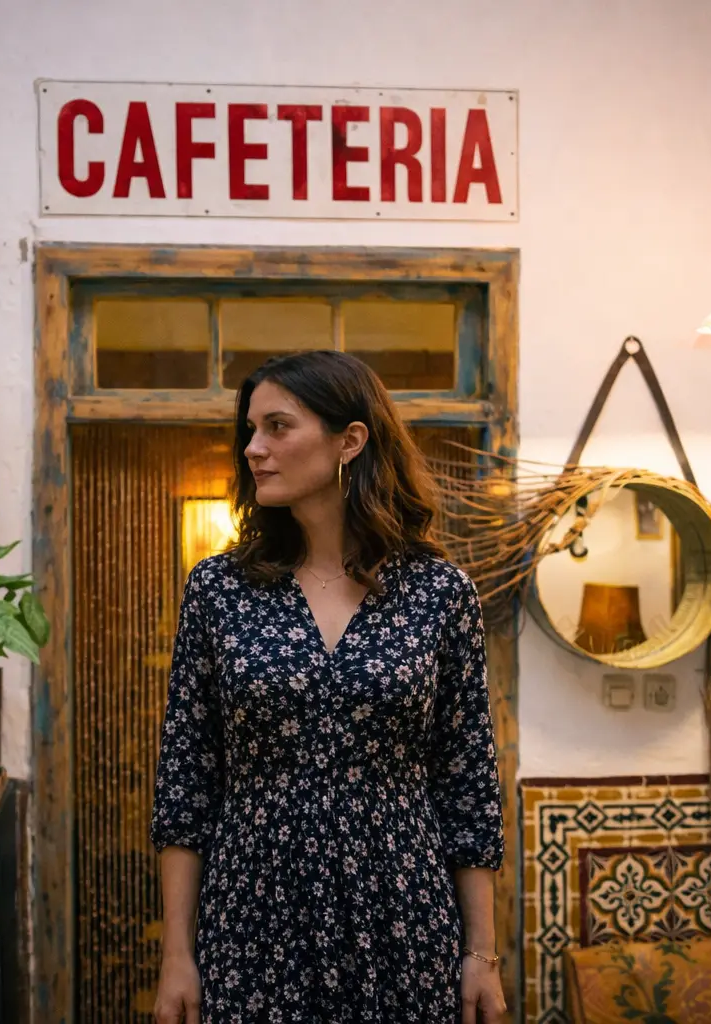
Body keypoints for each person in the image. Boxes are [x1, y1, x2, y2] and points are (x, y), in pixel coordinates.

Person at [150, 350, 507, 1024]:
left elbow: (468, 785)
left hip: (402, 918)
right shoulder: (219, 589)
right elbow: (185, 785)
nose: (254, 448)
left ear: (350, 440)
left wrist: (481, 955)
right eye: (250, 431)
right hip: (251, 918)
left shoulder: (438, 594)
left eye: (278, 427)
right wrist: (177, 955)